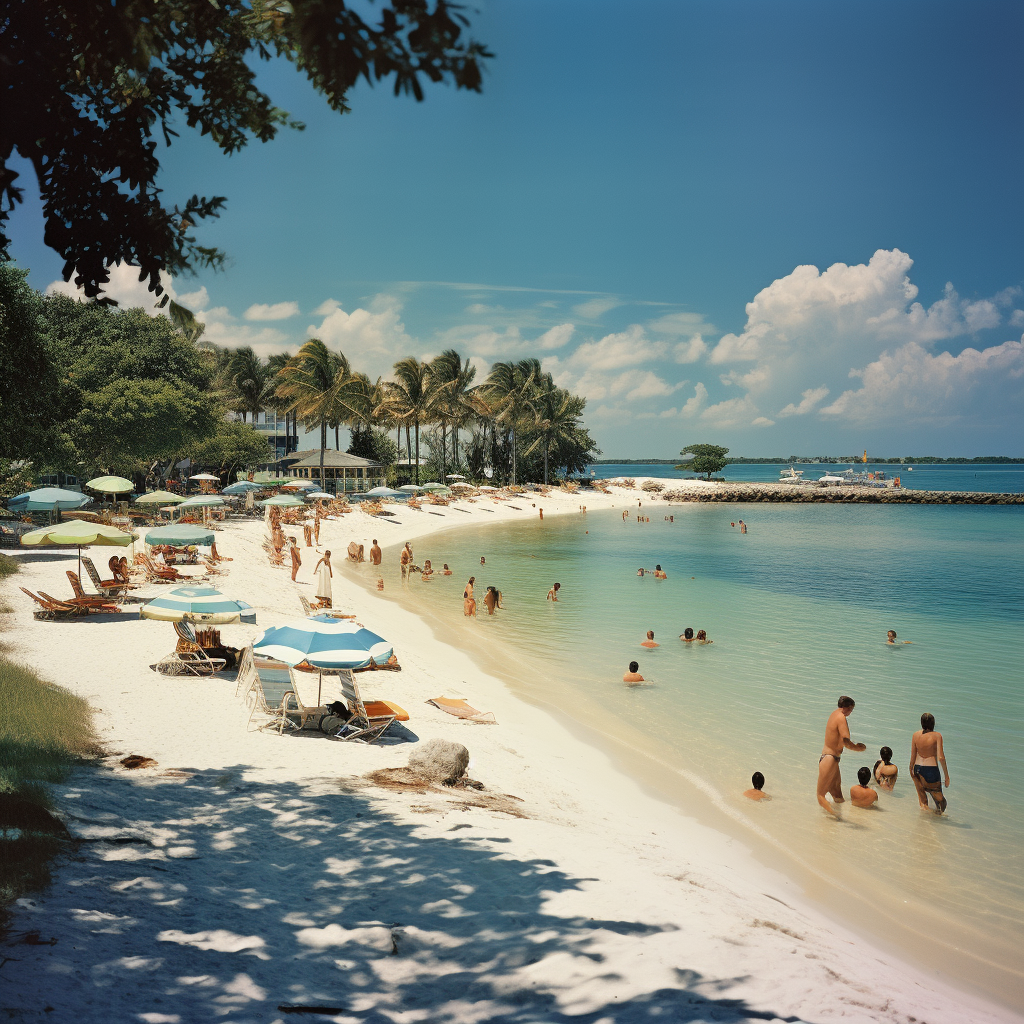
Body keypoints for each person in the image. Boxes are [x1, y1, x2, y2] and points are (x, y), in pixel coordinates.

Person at [816, 696, 866, 817]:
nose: (851, 712)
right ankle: (837, 817)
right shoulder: (841, 717)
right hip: (829, 758)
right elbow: (846, 741)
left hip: (832, 759)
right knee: (820, 796)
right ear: (846, 708)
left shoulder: (834, 714)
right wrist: (858, 748)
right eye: (851, 710)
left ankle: (838, 824)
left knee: (837, 793)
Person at [910, 712, 950, 814]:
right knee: (941, 804)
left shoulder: (915, 735)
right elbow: (941, 757)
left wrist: (911, 769)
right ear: (933, 723)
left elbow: (913, 755)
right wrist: (946, 776)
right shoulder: (937, 736)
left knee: (923, 803)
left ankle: (924, 824)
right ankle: (937, 824)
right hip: (930, 770)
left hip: (917, 768)